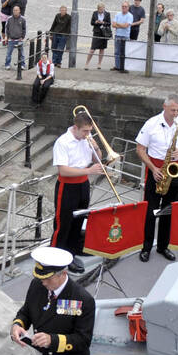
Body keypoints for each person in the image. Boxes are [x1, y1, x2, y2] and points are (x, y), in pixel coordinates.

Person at [136, 95, 178, 261]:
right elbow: (140, 149)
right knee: (150, 212)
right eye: (173, 110)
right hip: (156, 169)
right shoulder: (151, 124)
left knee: (169, 211)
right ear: (164, 107)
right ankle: (146, 247)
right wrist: (153, 168)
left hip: (176, 169)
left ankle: (163, 246)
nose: (176, 114)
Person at [52, 113, 104, 272]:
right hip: (67, 187)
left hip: (83, 185)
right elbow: (63, 170)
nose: (88, 134)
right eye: (85, 131)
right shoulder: (62, 142)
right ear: (75, 127)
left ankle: (71, 254)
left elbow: (99, 159)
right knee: (63, 224)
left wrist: (96, 147)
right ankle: (56, 259)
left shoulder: (86, 140)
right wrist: (88, 170)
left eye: (89, 131)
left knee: (78, 221)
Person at [87, 2, 110, 70]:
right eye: (99, 9)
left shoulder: (107, 14)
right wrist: (96, 22)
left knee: (102, 49)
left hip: (104, 33)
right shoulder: (95, 13)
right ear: (98, 9)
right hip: (96, 32)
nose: (101, 10)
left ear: (104, 8)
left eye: (102, 9)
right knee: (92, 49)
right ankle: (87, 63)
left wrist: (103, 22)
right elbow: (91, 23)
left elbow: (109, 23)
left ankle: (99, 63)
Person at [111, 0, 133, 71]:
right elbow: (113, 25)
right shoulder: (118, 14)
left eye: (125, 6)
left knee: (125, 52)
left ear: (128, 7)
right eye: (123, 6)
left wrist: (118, 24)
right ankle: (117, 66)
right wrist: (121, 25)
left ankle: (124, 67)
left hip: (125, 36)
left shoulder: (130, 15)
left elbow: (126, 26)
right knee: (117, 52)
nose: (124, 7)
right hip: (118, 35)